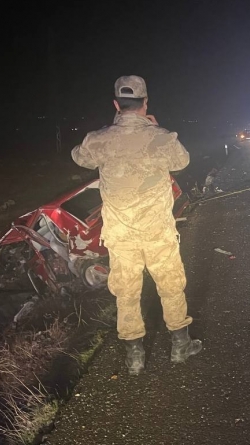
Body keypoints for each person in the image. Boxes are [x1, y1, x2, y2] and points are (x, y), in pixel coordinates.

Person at [71, 75, 202, 375]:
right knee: (170, 286)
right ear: (146, 104)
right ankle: (180, 347)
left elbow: (80, 158)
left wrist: (108, 134)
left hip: (121, 236)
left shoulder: (98, 140)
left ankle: (134, 358)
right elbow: (182, 161)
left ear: (116, 105)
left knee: (126, 293)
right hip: (158, 233)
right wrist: (154, 129)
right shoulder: (161, 138)